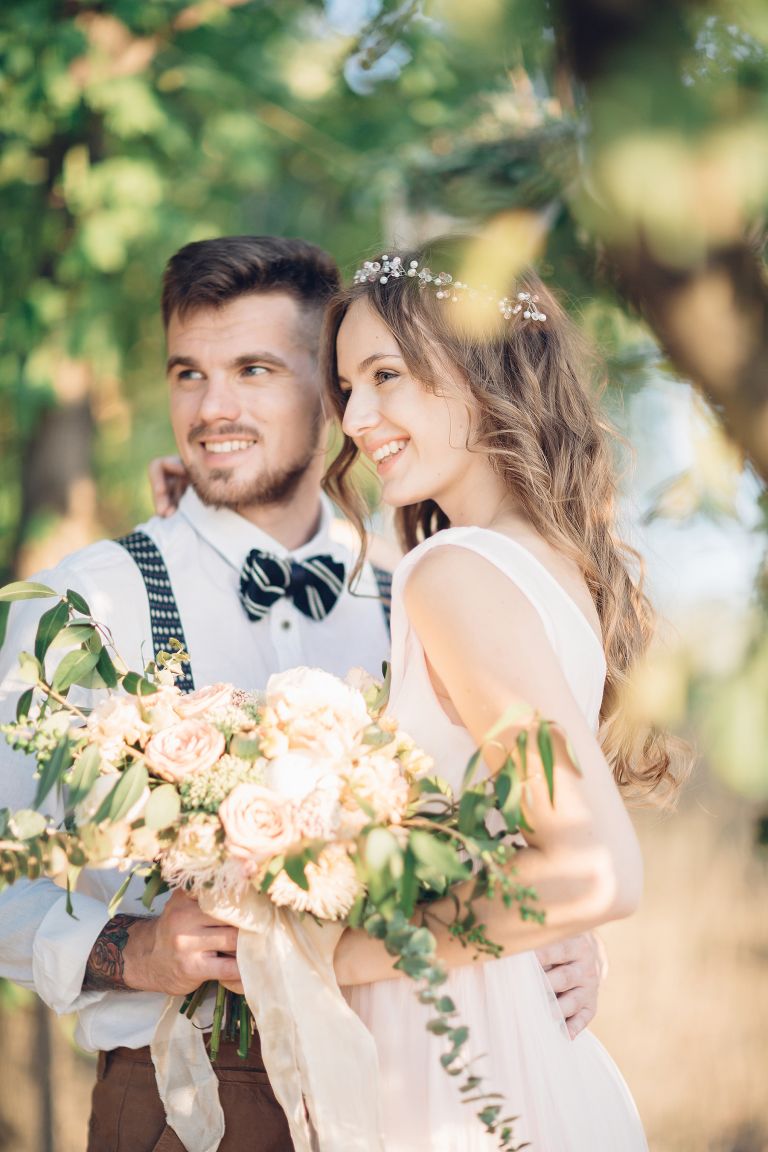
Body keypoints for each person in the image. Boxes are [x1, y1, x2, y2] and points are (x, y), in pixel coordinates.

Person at [0, 236, 601, 1152]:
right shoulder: (89, 603)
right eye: (188, 373)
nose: (213, 408)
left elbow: (540, 826)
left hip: (414, 1084)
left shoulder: (421, 585)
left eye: (253, 369)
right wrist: (133, 947)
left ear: (334, 392)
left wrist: (554, 937)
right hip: (194, 1099)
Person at [317, 247, 682, 1150]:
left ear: (479, 371)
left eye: (386, 376)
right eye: (346, 388)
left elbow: (596, 869)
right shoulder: (550, 564)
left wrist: (338, 954)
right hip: (507, 1037)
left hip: (459, 1075)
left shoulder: (453, 573)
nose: (357, 418)